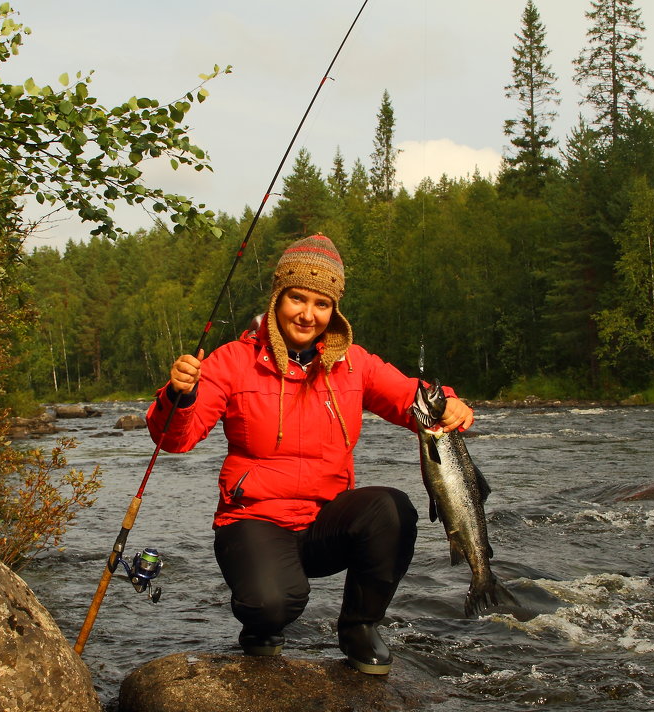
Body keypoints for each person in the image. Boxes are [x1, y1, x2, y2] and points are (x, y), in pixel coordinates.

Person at [146, 233, 473, 675]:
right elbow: (175, 439)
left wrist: (449, 402)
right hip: (254, 520)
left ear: (334, 309)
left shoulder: (353, 362)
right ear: (278, 297)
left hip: (325, 521)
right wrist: (178, 396)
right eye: (297, 299)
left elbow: (407, 397)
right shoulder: (231, 360)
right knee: (273, 603)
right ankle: (262, 626)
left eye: (321, 304)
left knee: (391, 509)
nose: (307, 314)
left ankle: (360, 627)